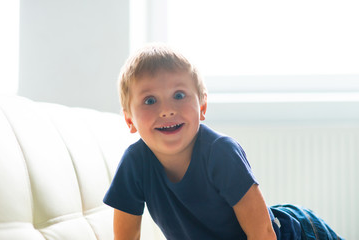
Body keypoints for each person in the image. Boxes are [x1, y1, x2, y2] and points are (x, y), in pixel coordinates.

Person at [103, 44, 343, 240]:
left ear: (202, 106)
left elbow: (262, 233)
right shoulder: (135, 164)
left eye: (178, 95)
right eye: (150, 100)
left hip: (295, 233)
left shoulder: (220, 152)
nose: (166, 110)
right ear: (129, 119)